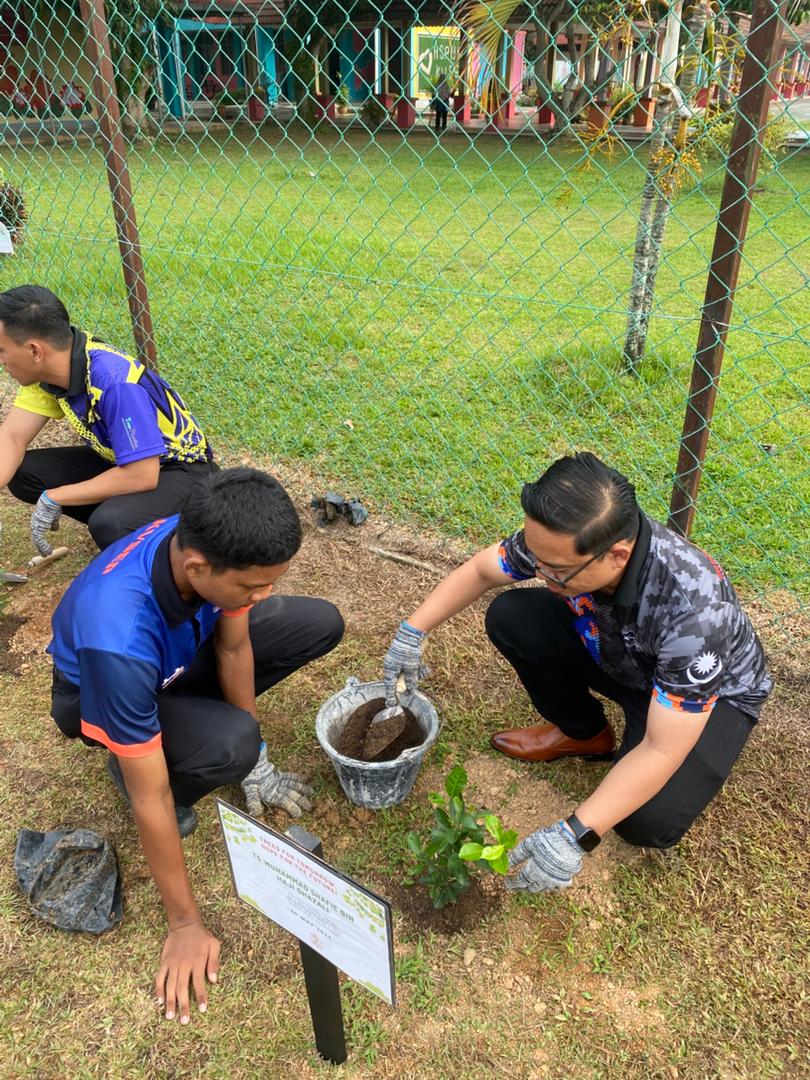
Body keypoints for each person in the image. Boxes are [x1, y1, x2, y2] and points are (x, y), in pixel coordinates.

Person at [382, 452, 772, 892]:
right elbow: (481, 570)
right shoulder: (566, 541)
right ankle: (585, 734)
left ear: (617, 555)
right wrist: (412, 632)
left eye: (556, 571)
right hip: (622, 652)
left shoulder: (695, 613)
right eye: (536, 558)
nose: (539, 573)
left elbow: (662, 748)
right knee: (513, 616)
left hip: (707, 696)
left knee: (644, 820)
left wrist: (574, 834)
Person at [48, 467, 344, 1022]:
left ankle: (188, 725)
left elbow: (232, 648)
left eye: (269, 582)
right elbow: (152, 797)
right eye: (253, 587)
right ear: (197, 568)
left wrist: (259, 763)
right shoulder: (118, 637)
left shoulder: (204, 540)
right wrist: (185, 924)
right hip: (101, 689)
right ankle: (130, 755)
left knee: (317, 622)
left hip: (169, 659)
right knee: (228, 744)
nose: (264, 595)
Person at [0, 284, 216, 555]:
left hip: (180, 472)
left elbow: (142, 474)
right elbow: (12, 437)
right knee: (26, 473)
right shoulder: (51, 368)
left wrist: (55, 497)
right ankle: (133, 523)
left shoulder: (114, 382)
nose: (1, 361)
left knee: (110, 523)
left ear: (35, 351)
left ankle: (172, 533)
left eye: (1, 350)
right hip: (124, 460)